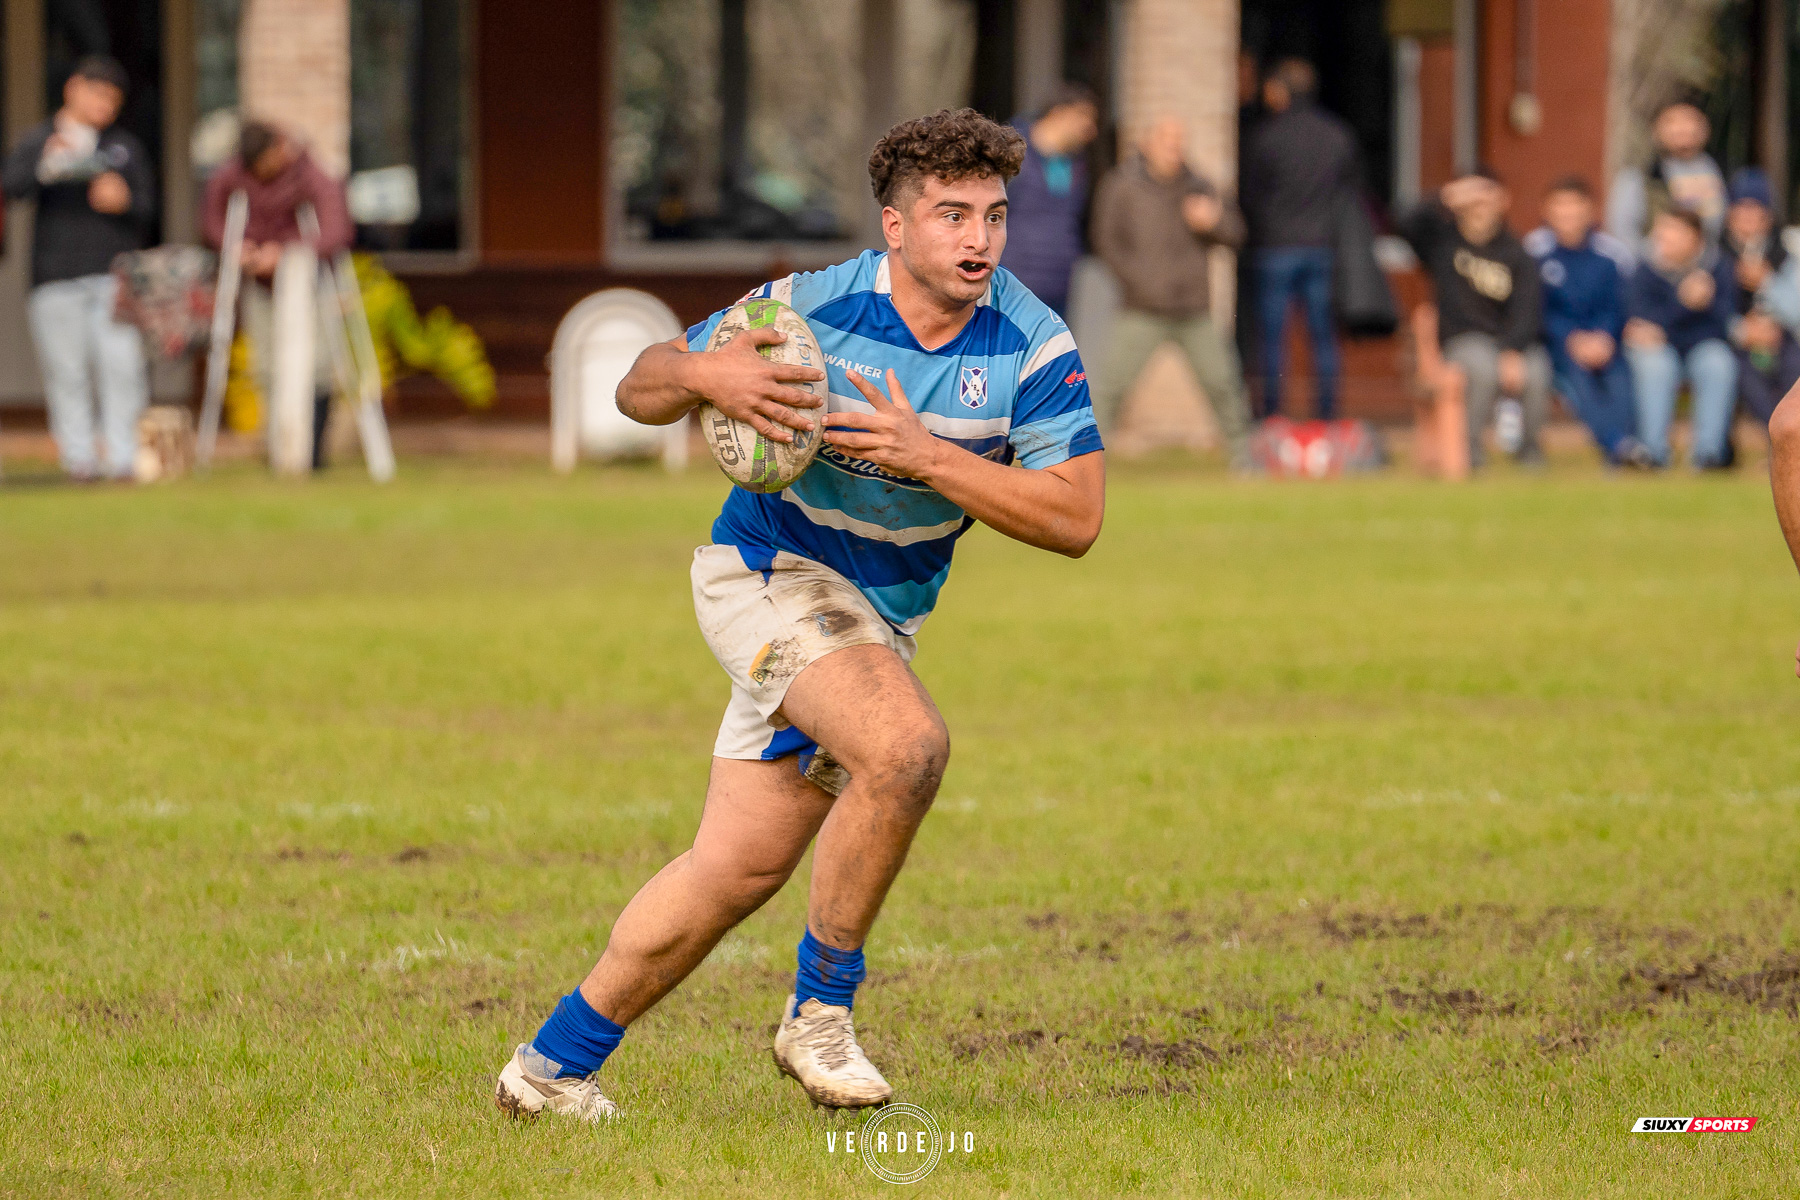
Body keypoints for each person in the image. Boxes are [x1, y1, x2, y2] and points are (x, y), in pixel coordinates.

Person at [491, 108, 1105, 1122]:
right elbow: (639, 383)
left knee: (737, 869)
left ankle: (550, 1070)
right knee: (905, 749)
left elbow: (1078, 517)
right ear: (894, 227)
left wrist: (929, 457)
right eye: (951, 215)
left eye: (993, 216)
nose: (978, 241)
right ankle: (820, 1012)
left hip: (876, 620)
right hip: (766, 571)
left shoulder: (1033, 344)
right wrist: (704, 373)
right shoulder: (805, 310)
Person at [1, 56, 154, 482]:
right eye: (99, 93)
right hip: (54, 276)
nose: (106, 105)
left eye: (114, 99)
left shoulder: (123, 147)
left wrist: (122, 199)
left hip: (113, 275)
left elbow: (147, 205)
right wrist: (44, 164)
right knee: (66, 372)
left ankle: (122, 459)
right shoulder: (39, 139)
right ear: (74, 89)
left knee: (121, 366)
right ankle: (79, 461)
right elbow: (11, 186)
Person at [1091, 115, 1253, 466]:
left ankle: (1245, 459)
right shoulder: (1122, 185)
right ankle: (1088, 463)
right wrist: (1135, 281)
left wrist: (1214, 222)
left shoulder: (1200, 185)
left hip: (1192, 307)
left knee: (1223, 383)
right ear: (1147, 143)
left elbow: (1236, 235)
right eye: (1166, 140)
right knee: (1111, 388)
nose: (1173, 148)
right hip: (1141, 307)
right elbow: (1105, 241)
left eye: (1179, 141)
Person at [201, 121, 353, 471]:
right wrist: (238, 248)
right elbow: (212, 219)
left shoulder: (312, 173)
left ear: (280, 146)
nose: (263, 171)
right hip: (261, 285)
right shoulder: (233, 175)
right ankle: (279, 447)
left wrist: (286, 253)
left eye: (266, 161)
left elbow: (334, 229)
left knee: (315, 365)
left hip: (308, 282)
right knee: (267, 364)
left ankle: (311, 451)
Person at [1400, 168, 1551, 468]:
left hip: (1509, 342)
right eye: (1473, 202)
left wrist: (1512, 349)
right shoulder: (1442, 244)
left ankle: (1530, 454)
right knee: (1482, 368)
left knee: (1537, 369)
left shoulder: (1517, 252)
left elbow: (1528, 308)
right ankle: (1469, 455)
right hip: (1460, 341)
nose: (1479, 208)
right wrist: (1446, 196)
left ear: (1502, 202)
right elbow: (1404, 223)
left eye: (1486, 199)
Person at [1241, 57, 1357, 420]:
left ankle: (1273, 415)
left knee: (1272, 338)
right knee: (1322, 336)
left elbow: (1249, 195)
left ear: (1280, 91)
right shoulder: (1336, 135)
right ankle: (1327, 414)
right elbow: (1349, 192)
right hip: (1322, 247)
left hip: (1274, 248)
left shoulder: (1265, 137)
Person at [1523, 177, 1652, 467]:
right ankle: (1618, 446)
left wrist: (1605, 337)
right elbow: (1534, 309)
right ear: (1547, 211)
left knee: (1620, 380)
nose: (1568, 214)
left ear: (1590, 211)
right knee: (1579, 386)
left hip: (1607, 345)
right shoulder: (1533, 252)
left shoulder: (1611, 254)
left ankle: (1626, 444)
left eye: (1574, 207)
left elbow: (1619, 304)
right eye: (1560, 207)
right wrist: (1570, 338)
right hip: (1558, 349)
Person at [1623, 207, 1739, 469]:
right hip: (1660, 351)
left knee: (1718, 361)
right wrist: (1684, 303)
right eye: (1661, 231)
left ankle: (1708, 455)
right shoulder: (1645, 269)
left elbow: (1726, 326)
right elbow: (1640, 325)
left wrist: (1705, 304)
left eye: (1673, 232)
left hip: (1702, 348)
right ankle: (1653, 454)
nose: (1664, 238)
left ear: (1696, 238)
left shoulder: (1718, 267)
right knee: (1656, 365)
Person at [1003, 84, 1099, 317]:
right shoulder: (1010, 152)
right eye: (1084, 119)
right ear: (1059, 113)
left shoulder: (1077, 164)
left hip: (1060, 285)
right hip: (1013, 282)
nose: (1091, 131)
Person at [1719, 167, 1800, 427]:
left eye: (1756, 210)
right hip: (1736, 341)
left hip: (1781, 338)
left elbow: (1796, 311)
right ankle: (1778, 438)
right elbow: (1712, 311)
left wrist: (1767, 282)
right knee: (1741, 373)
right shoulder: (1716, 252)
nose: (1748, 218)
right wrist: (1742, 331)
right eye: (1741, 209)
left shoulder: (1785, 250)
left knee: (1794, 367)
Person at [1607, 101, 1727, 251]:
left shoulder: (1712, 168)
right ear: (1657, 129)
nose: (1683, 128)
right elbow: (1623, 232)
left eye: (1691, 120)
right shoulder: (1641, 173)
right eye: (1672, 121)